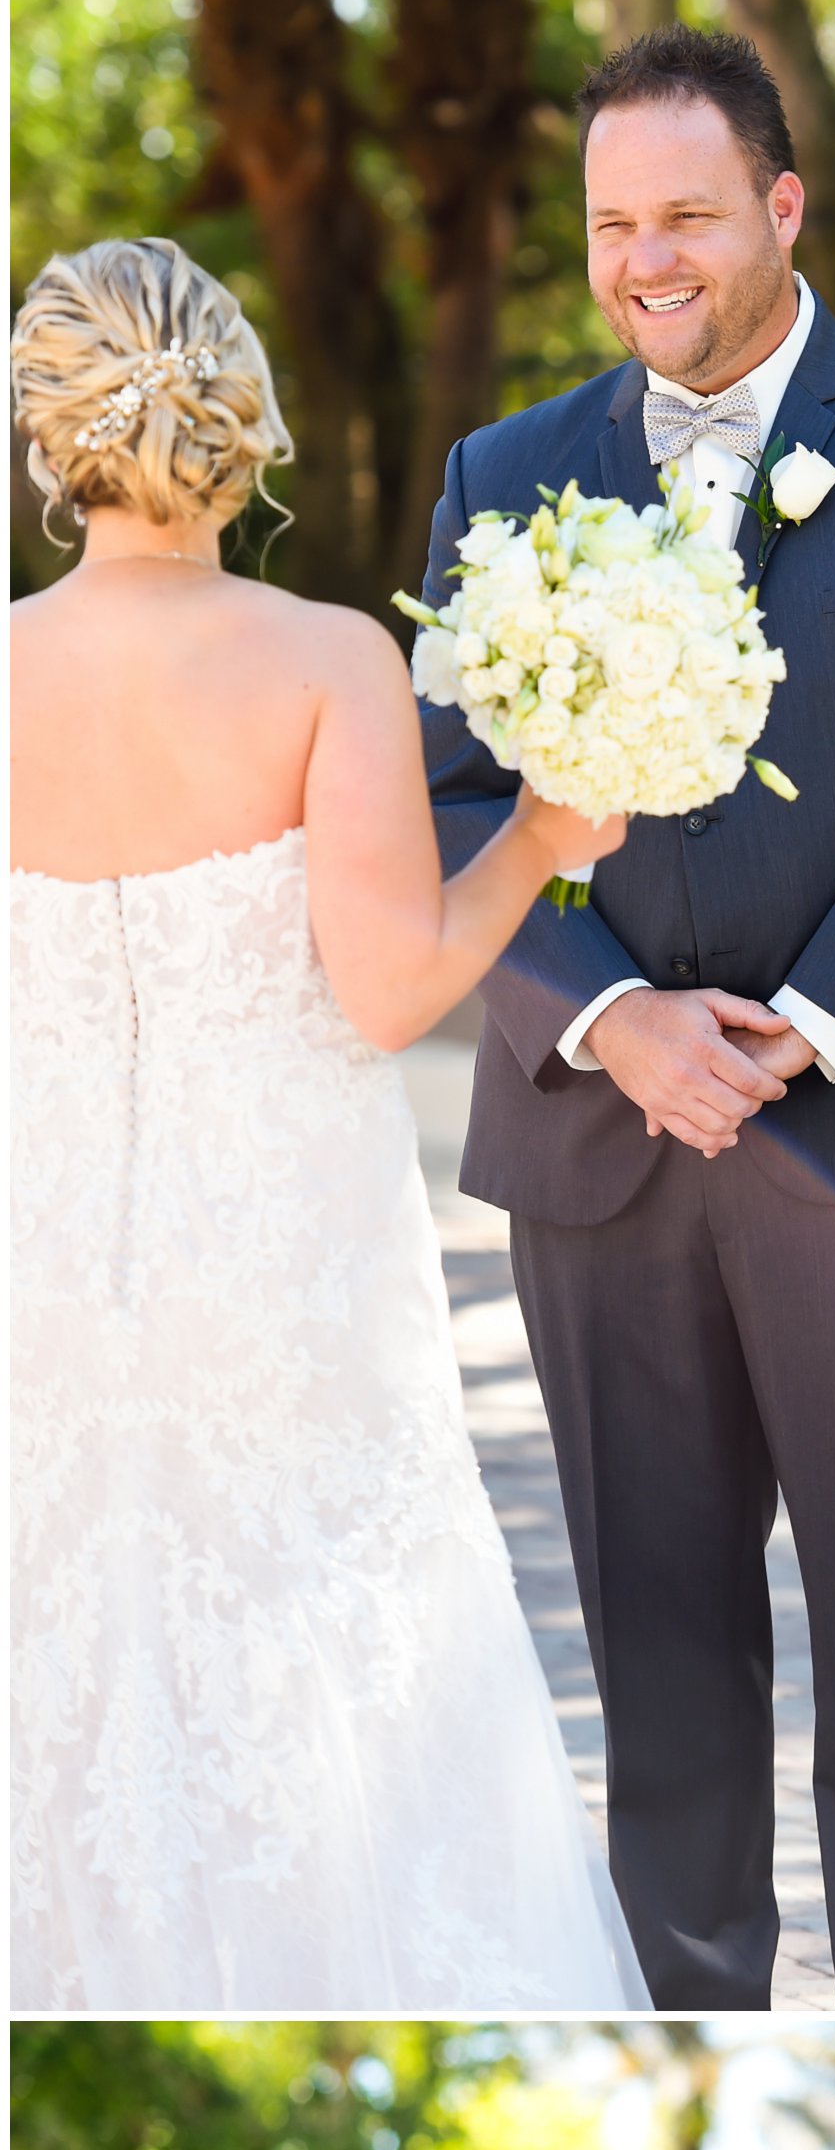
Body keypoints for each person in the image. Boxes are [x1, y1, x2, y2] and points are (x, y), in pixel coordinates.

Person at [422, 21, 835, 2013]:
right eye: (612, 223)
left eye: (691, 215)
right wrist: (616, 1014)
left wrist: (805, 1023)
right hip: (605, 1156)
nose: (648, 260)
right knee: (662, 1664)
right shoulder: (508, 474)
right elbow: (451, 796)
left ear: (784, 207)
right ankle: (685, 2026)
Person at [10, 231, 646, 2014]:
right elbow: (384, 989)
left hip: (43, 1270)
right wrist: (539, 834)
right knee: (330, 1679)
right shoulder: (321, 656)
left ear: (50, 437)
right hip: (284, 1278)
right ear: (240, 412)